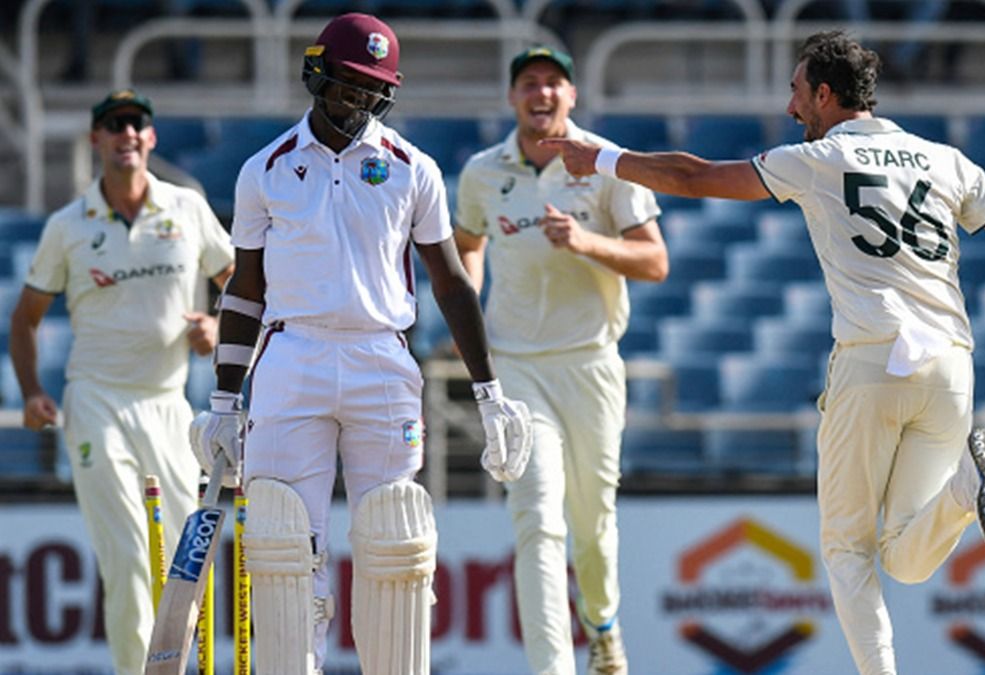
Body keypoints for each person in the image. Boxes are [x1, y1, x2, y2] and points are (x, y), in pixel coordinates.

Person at [544, 31, 985, 675]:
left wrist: (604, 159)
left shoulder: (819, 159)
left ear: (824, 93)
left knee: (847, 549)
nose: (790, 108)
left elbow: (693, 176)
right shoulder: (945, 160)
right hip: (951, 367)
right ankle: (967, 487)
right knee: (905, 559)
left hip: (873, 358)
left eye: (795, 91)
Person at [187, 14, 533, 674]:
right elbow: (245, 290)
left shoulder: (411, 167)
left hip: (383, 357)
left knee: (394, 540)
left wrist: (490, 394)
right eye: (348, 83)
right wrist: (225, 401)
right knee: (283, 544)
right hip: (292, 359)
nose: (358, 99)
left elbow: (451, 281)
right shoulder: (266, 169)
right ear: (317, 75)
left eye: (373, 88)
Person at [454, 46, 668, 675]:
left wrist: (585, 242)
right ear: (512, 97)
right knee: (536, 516)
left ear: (572, 96)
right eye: (529, 83)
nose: (541, 93)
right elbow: (468, 244)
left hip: (590, 361)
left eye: (554, 83)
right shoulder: (482, 172)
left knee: (592, 523)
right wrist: (469, 308)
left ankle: (602, 625)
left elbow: (655, 261)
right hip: (517, 365)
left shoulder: (605, 162)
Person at [8, 89, 234, 675]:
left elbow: (239, 282)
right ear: (96, 139)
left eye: (136, 123)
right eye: (114, 124)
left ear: (151, 137)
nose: (126, 133)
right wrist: (32, 391)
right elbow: (24, 318)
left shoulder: (187, 208)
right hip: (96, 402)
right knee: (129, 555)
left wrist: (216, 326)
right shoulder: (68, 225)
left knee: (185, 561)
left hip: (168, 406)